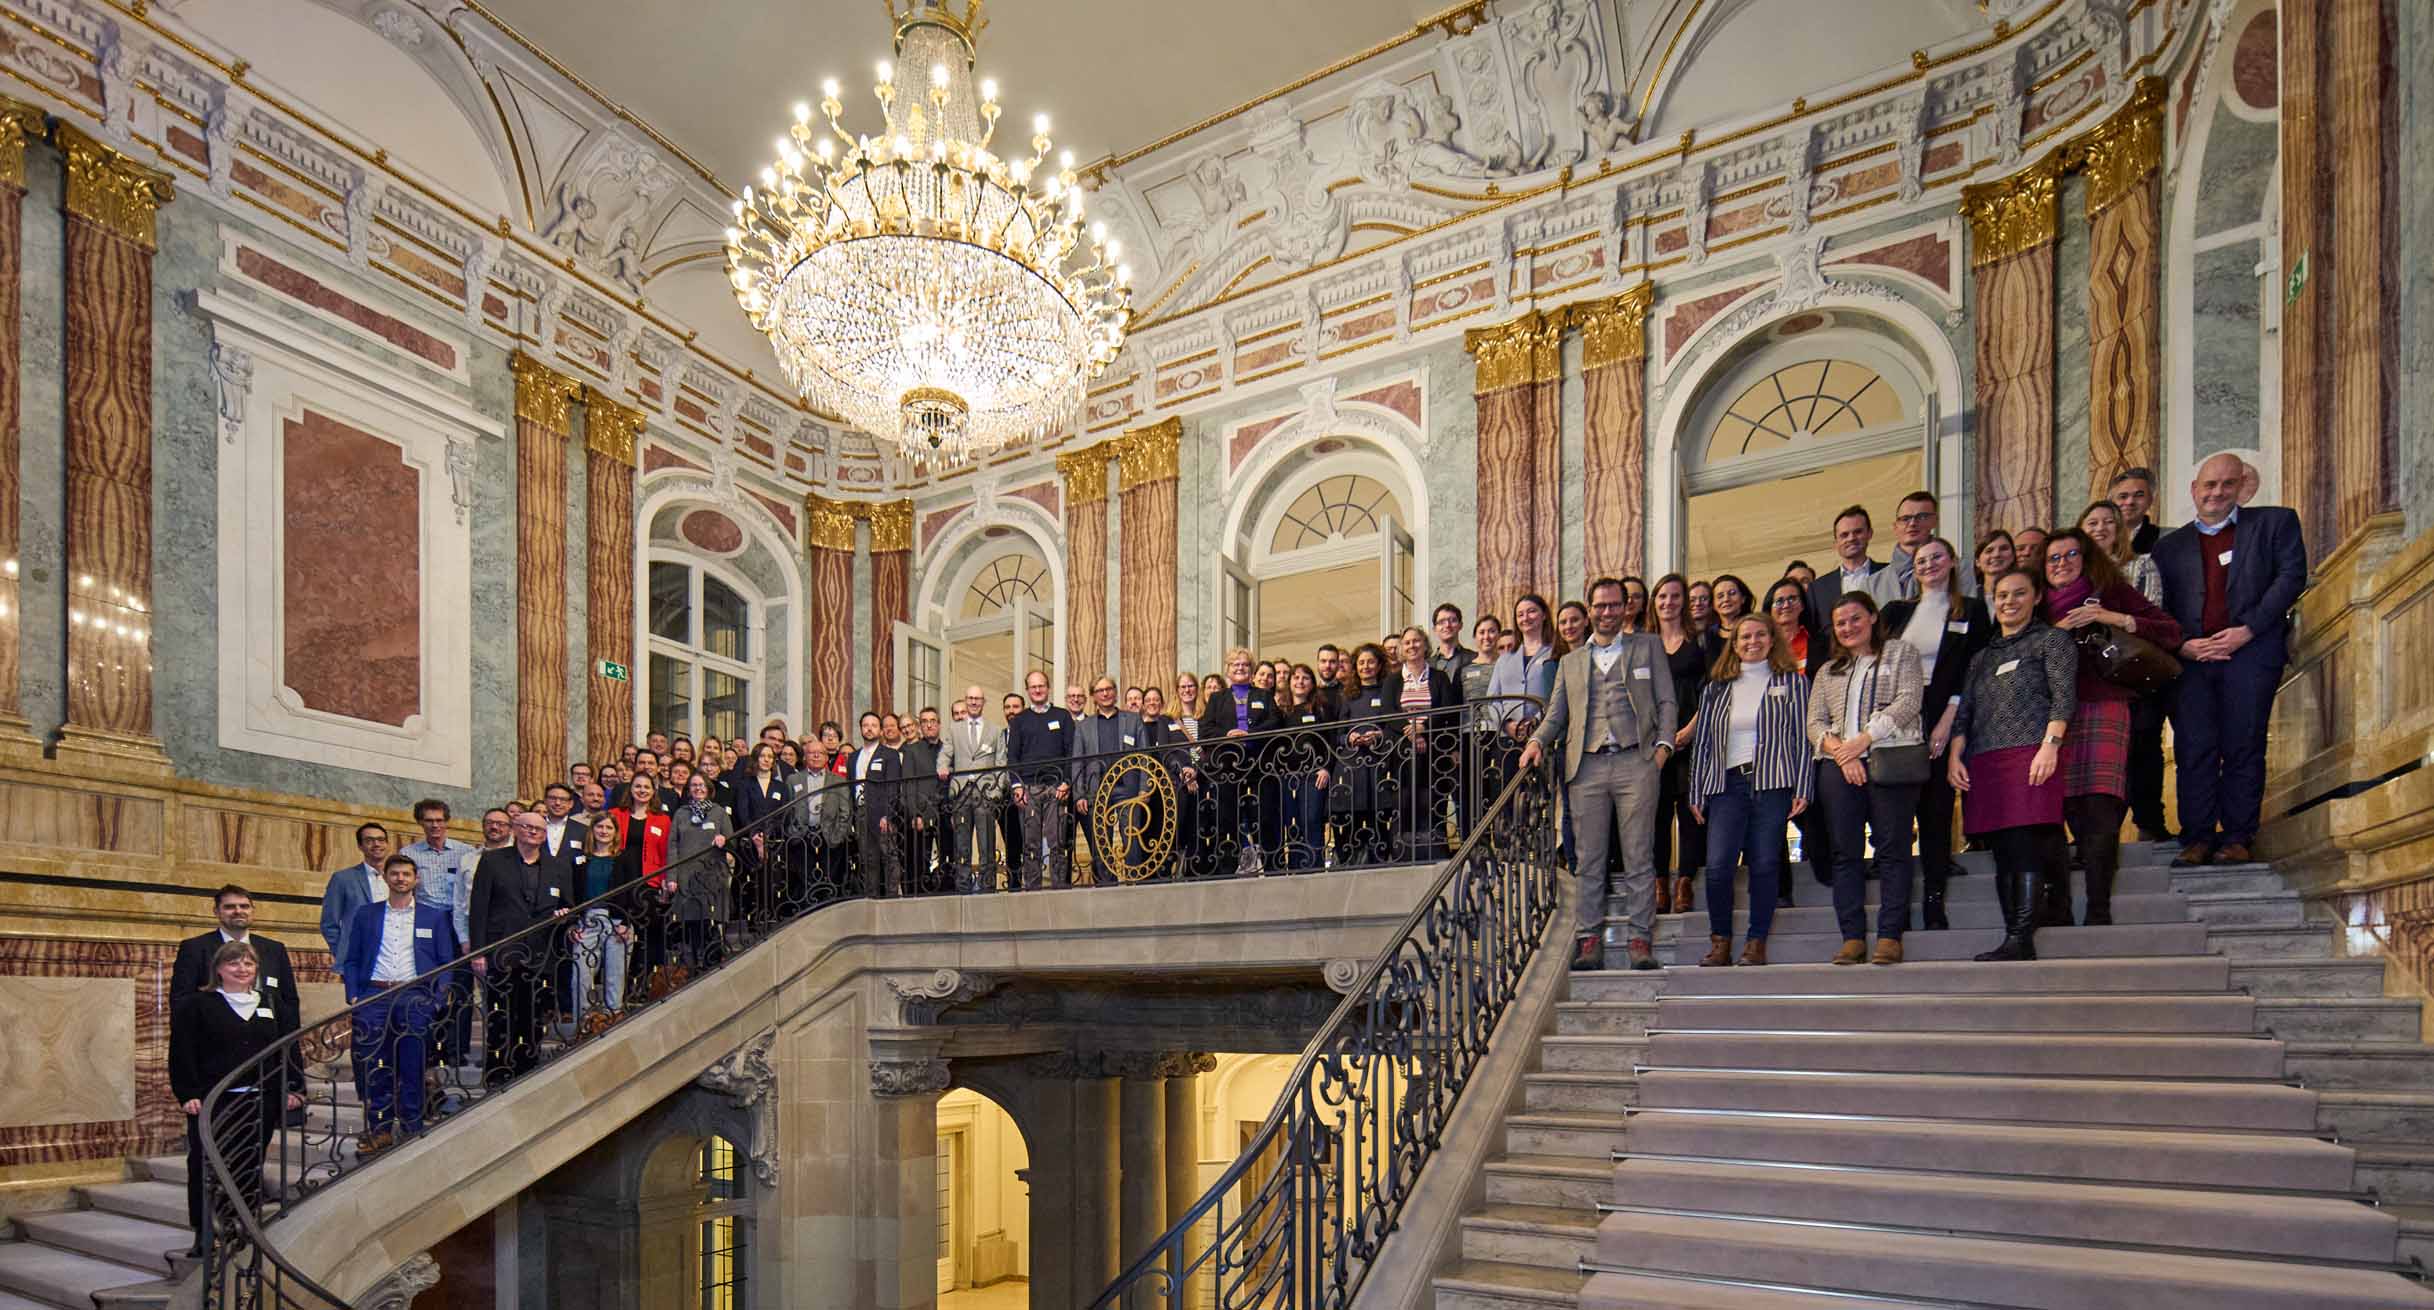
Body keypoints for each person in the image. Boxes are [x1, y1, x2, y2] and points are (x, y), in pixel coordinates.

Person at [2153, 453, 2307, 866]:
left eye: (2226, 484)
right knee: (2194, 747)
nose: (2216, 492)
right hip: (2191, 662)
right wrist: (2183, 643)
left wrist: (2248, 630)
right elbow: (2156, 606)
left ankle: (2238, 836)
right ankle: (2197, 837)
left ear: (2241, 487)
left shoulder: (2275, 523)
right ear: (2194, 491)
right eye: (2208, 485)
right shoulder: (2168, 547)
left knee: (2244, 743)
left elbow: (2291, 577)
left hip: (2251, 654)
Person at [1518, 578, 1678, 972]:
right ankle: (1589, 941)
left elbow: (1667, 700)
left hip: (1635, 762)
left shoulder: (1648, 647)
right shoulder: (1571, 661)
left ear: (1626, 608)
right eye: (1599, 606)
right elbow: (1556, 713)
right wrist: (1536, 742)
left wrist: (1662, 749)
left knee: (1640, 856)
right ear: (1589, 610)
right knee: (1589, 860)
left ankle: (1640, 939)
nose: (1606, 612)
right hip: (1585, 766)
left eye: (1613, 605)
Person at [2043, 527, 2182, 926]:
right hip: (2056, 715)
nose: (2063, 563)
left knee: (2102, 805)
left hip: (2105, 705)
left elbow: (2170, 631)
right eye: (2054, 558)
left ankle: (2099, 908)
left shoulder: (2110, 591)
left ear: (2087, 558)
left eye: (2071, 555)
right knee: (2066, 804)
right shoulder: (2040, 608)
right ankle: (2069, 897)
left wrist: (2111, 617)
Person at [1949, 568, 2078, 961]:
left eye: (2018, 594)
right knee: (2003, 850)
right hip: (1985, 760)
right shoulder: (1982, 657)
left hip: (2030, 752)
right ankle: (2014, 932)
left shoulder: (2052, 641)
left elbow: (2063, 697)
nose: (2009, 602)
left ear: (2036, 596)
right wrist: (1955, 754)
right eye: (2002, 595)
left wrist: (2050, 746)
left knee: (2023, 846)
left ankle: (2021, 936)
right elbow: (1965, 712)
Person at [1807, 593, 1927, 965]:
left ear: (1873, 617)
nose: (1847, 627)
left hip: (1889, 761)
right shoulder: (1829, 671)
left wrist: (1863, 740)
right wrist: (1843, 753)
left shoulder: (1901, 653)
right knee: (1845, 853)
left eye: (1855, 619)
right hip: (1839, 767)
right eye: (1840, 622)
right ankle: (1853, 937)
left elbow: (1909, 701)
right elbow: (1814, 722)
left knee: (1892, 849)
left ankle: (1890, 936)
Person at [1685, 616, 1811, 967]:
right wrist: (1696, 790)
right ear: (1735, 643)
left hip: (1772, 784)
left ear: (1772, 640)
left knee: (1766, 863)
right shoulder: (1716, 688)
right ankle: (1720, 941)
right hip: (1726, 785)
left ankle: (1756, 942)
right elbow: (1704, 744)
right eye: (1745, 636)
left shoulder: (1793, 683)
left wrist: (1803, 785)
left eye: (1759, 635)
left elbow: (1802, 739)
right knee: (1718, 867)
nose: (1752, 641)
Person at [1880, 537, 1991, 929]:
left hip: (1947, 711)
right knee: (1896, 813)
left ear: (1951, 563)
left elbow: (1975, 669)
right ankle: (1896, 905)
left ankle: (1933, 901)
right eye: (1921, 559)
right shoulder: (1895, 612)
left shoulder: (1972, 610)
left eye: (1936, 557)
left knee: (1936, 809)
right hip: (1899, 717)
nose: (1928, 564)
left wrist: (1948, 719)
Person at [170, 940, 304, 1254]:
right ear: (218, 969)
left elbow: (288, 1048)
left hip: (261, 1099)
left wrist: (295, 1087)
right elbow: (182, 1052)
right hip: (213, 1100)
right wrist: (187, 1093)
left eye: (248, 964)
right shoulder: (199, 1005)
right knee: (205, 1165)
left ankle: (239, 1225)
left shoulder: (271, 1003)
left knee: (249, 1164)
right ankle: (204, 1233)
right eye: (233, 964)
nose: (241, 969)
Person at [340, 854, 460, 1146]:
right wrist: (354, 994)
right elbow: (352, 957)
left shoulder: (435, 916)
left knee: (412, 1064)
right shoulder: (366, 914)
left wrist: (438, 998)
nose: (401, 879)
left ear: (416, 878)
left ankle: (411, 1125)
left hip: (415, 996)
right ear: (386, 877)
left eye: (407, 874)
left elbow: (447, 961)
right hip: (374, 995)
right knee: (375, 1065)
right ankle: (380, 1129)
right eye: (395, 874)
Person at [2080, 499, 2172, 841]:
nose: (2100, 529)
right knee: (2097, 756)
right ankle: (2097, 830)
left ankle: (2149, 822)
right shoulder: (2073, 574)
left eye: (2108, 522)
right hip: (2090, 678)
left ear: (2120, 530)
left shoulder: (2142, 565)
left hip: (2133, 671)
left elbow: (2153, 618)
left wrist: (2111, 617)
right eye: (2092, 523)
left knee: (2143, 746)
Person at [468, 812, 573, 1082]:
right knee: (500, 1016)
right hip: (503, 952)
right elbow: (479, 908)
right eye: (527, 827)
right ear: (515, 829)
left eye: (539, 828)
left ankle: (526, 1072)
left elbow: (568, 905)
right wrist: (478, 952)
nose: (533, 832)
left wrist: (564, 915)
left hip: (540, 955)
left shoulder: (557, 866)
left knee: (533, 1017)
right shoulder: (493, 862)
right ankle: (497, 1073)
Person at [1649, 575, 1711, 916]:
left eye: (1675, 596)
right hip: (1655, 742)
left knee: (1689, 812)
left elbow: (1713, 690)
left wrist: (1689, 730)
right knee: (1656, 815)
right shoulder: (1644, 644)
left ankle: (1684, 882)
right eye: (1662, 596)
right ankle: (1659, 884)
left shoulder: (1701, 641)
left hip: (1692, 737)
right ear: (1654, 602)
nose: (1668, 602)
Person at [1195, 648, 1286, 875]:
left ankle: (1272, 866)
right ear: (1228, 669)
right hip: (1228, 767)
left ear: (1251, 670)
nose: (1240, 668)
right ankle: (1228, 866)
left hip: (1259, 766)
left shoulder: (1264, 696)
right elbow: (1205, 730)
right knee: (1228, 818)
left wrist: (1251, 734)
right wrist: (1228, 734)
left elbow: (1276, 723)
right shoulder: (1217, 699)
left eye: (1245, 665)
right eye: (1235, 664)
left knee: (1264, 816)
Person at [1383, 626, 1464, 866]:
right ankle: (1403, 853)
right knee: (1404, 800)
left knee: (1432, 799)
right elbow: (1389, 712)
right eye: (1406, 643)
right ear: (1401, 649)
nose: (1411, 646)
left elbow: (1447, 710)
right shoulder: (1392, 680)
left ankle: (1434, 851)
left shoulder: (1439, 677)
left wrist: (1424, 727)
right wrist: (1411, 729)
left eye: (1416, 641)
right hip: (1402, 751)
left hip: (1434, 750)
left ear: (1425, 645)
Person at [172, 884, 302, 1031]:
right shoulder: (194, 948)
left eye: (244, 906)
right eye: (229, 907)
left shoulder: (274, 949)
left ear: (253, 911)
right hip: (214, 1037)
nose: (238, 911)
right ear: (216, 912)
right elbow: (181, 1001)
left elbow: (289, 1000)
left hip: (268, 1038)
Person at [1073, 676, 1145, 882]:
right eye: (1100, 690)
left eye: (1109, 689)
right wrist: (1079, 794)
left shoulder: (1132, 720)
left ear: (1115, 691)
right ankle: (1106, 887)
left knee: (1131, 839)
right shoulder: (1083, 727)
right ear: (1093, 696)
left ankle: (1135, 882)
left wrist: (1144, 788)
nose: (1105, 694)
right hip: (1096, 791)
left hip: (1128, 790)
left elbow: (1144, 756)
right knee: (1100, 842)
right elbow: (1077, 762)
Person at [1009, 671, 1076, 887]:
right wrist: (1017, 785)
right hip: (1029, 789)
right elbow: (1013, 756)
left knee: (1058, 841)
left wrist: (1067, 781)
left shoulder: (1063, 716)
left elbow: (1071, 752)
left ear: (1048, 687)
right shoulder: (1019, 721)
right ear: (1027, 690)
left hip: (1057, 787)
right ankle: (1033, 889)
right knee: (1031, 843)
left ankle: (1059, 887)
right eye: (1033, 686)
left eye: (1041, 685)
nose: (1037, 690)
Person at [938, 685, 1005, 890]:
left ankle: (987, 887)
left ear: (983, 702)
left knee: (987, 844)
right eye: (970, 699)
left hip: (985, 793)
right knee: (962, 844)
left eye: (978, 699)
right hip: (961, 792)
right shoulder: (954, 729)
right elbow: (946, 753)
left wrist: (996, 791)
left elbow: (1001, 762)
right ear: (965, 701)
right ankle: (963, 888)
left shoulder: (995, 730)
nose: (974, 702)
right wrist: (942, 767)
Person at [1335, 643, 1396, 867]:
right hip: (1352, 766)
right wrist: (1349, 738)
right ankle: (1352, 859)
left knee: (1379, 813)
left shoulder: (1388, 691)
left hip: (1380, 764)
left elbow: (1392, 727)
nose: (1366, 666)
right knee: (1354, 814)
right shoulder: (1348, 696)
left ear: (1379, 664)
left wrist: (1378, 734)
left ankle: (1380, 857)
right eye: (1361, 662)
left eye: (1370, 661)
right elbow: (1338, 734)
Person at [667, 771, 733, 969]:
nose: (698, 788)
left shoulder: (719, 812)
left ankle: (712, 967)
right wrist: (671, 877)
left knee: (711, 924)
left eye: (702, 785)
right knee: (691, 925)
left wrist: (725, 840)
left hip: (712, 877)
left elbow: (733, 841)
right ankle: (693, 969)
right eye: (694, 785)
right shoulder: (681, 813)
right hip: (686, 878)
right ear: (689, 790)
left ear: (709, 789)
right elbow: (672, 846)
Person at [1278, 664, 1336, 871]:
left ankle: (1314, 867)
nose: (1300, 682)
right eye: (1295, 677)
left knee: (1311, 819)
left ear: (1312, 684)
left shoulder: (1320, 709)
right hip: (1287, 776)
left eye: (1305, 678)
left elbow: (1330, 741)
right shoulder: (1282, 711)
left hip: (1314, 774)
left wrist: (1326, 768)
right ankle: (1295, 867)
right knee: (1292, 823)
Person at [318, 822, 394, 968]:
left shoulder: (400, 878)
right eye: (369, 841)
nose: (376, 844)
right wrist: (345, 954)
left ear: (387, 844)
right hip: (357, 961)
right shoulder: (343, 879)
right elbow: (329, 924)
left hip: (395, 958)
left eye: (381, 839)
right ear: (360, 846)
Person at [1809, 506, 1885, 631]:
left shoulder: (1890, 574)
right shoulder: (1817, 589)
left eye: (1858, 532)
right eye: (1844, 535)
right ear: (1836, 542)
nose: (1851, 538)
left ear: (1869, 533)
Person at [901, 707, 944, 892]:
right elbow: (909, 784)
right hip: (922, 813)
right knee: (920, 858)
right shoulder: (912, 751)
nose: (929, 724)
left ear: (939, 724)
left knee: (948, 856)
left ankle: (946, 890)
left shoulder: (948, 748)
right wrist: (915, 814)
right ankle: (920, 894)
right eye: (925, 721)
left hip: (947, 811)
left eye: (932, 720)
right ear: (920, 726)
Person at [2110, 467, 2164, 556]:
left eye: (2139, 495)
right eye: (2123, 496)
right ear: (2111, 502)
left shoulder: (2168, 538)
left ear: (2151, 500)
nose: (2130, 502)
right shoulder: (2096, 539)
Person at [1973, 531, 2017, 599]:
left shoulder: (2026, 592)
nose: (1996, 554)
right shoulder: (1967, 596)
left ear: (2013, 555)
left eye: (2003, 549)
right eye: (1989, 551)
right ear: (1978, 562)